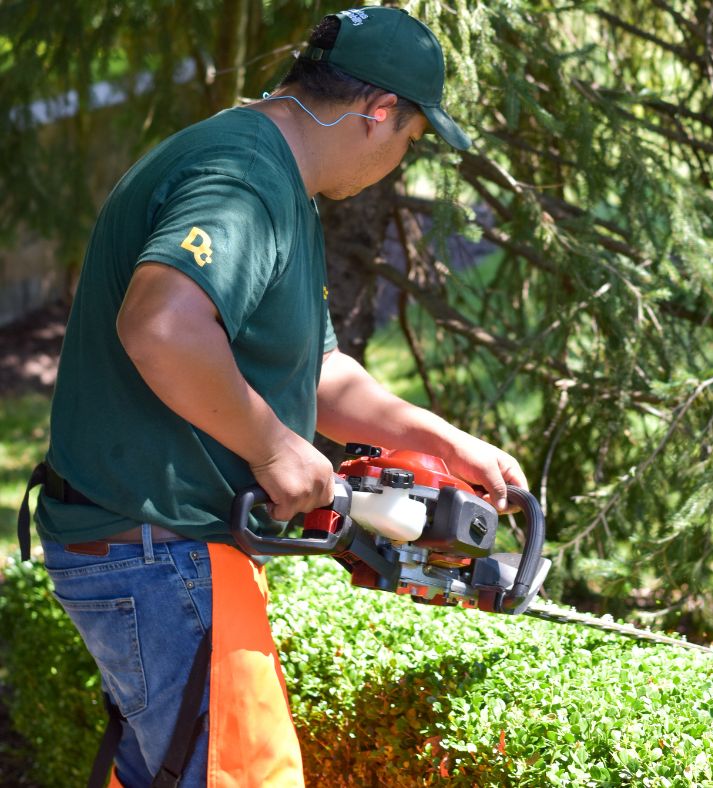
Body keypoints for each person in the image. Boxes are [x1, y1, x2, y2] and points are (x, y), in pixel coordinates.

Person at [19, 7, 527, 786]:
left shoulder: (269, 174)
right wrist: (273, 446)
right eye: (411, 141)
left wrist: (439, 440)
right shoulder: (246, 178)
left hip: (150, 545)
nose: (400, 159)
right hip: (158, 549)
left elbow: (316, 373)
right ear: (379, 112)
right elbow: (161, 326)